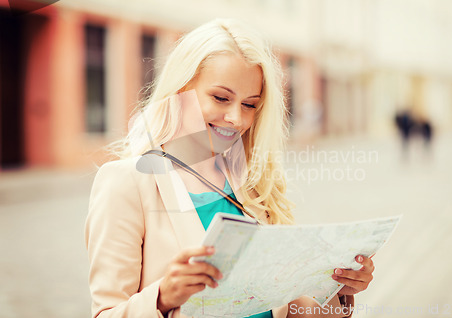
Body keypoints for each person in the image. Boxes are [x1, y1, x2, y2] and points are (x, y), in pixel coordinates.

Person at [85, 18, 375, 318]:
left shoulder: (253, 183)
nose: (236, 118)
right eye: (221, 98)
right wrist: (163, 297)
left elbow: (282, 307)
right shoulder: (127, 182)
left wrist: (336, 292)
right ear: (180, 89)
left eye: (250, 104)